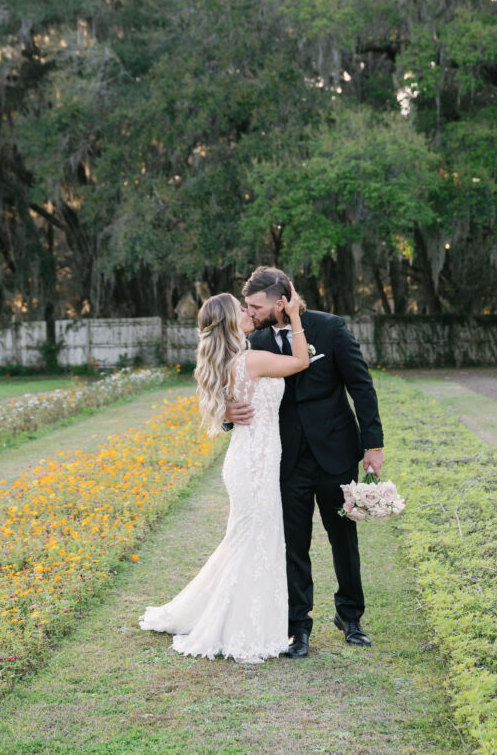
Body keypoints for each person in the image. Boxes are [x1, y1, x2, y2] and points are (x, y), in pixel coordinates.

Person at [138, 285, 308, 664]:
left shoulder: (228, 362)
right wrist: (295, 315)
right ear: (231, 321)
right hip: (254, 464)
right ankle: (238, 626)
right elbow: (300, 362)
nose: (249, 313)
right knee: (253, 542)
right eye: (241, 310)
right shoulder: (249, 361)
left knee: (248, 541)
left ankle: (240, 617)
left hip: (251, 461)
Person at [227, 267, 384, 659]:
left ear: (282, 301)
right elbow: (227, 382)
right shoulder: (253, 339)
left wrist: (373, 444)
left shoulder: (329, 328)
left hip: (335, 450)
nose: (251, 312)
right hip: (284, 458)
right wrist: (229, 412)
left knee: (342, 538)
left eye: (256, 305)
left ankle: (350, 617)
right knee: (292, 543)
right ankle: (298, 626)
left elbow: (360, 385)